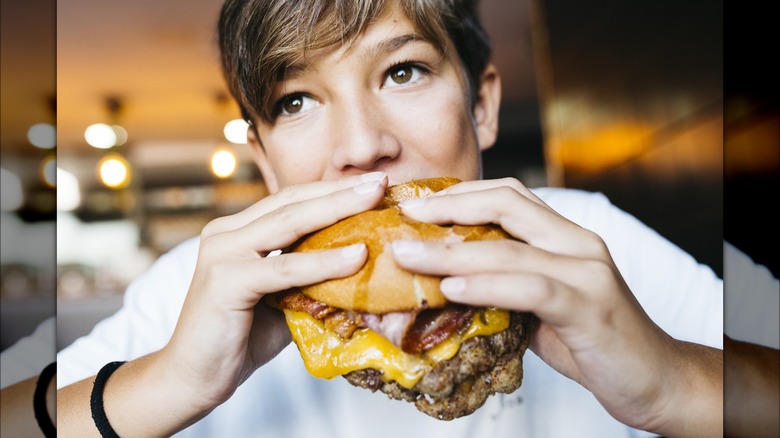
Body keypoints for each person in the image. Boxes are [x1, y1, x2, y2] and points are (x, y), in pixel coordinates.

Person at [56, 0, 724, 436]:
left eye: (403, 71)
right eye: (295, 102)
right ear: (262, 159)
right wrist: (171, 382)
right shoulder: (193, 290)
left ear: (482, 106)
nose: (361, 146)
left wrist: (674, 385)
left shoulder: (586, 241)